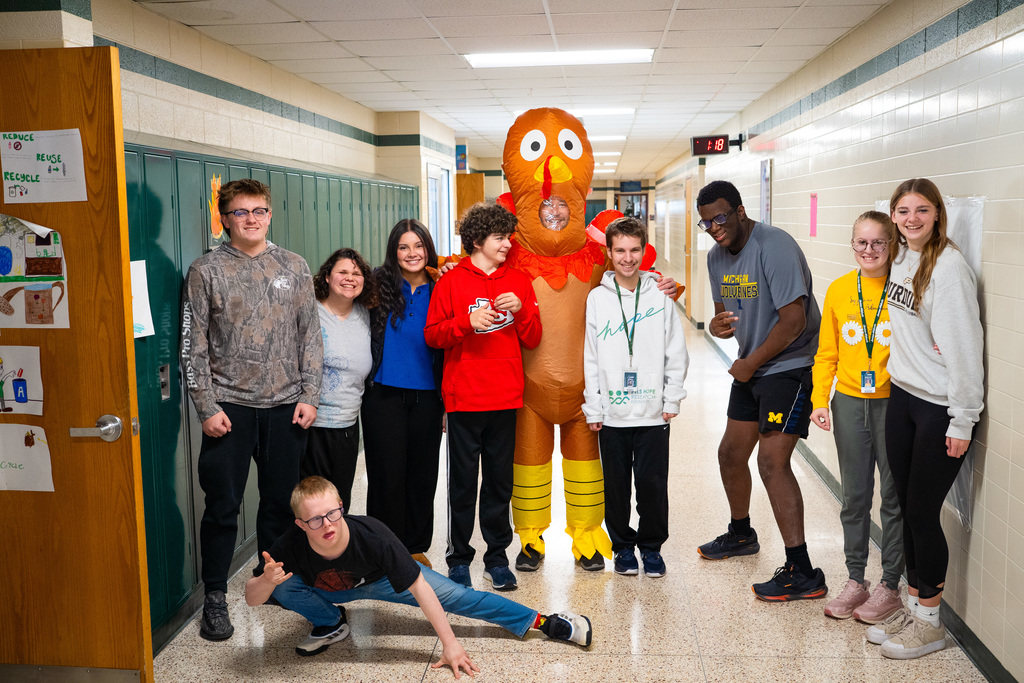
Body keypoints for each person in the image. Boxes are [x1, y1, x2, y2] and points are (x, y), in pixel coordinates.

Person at [245, 476, 592, 677]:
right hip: (333, 588)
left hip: (383, 580)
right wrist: (266, 581)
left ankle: (542, 621)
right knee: (283, 582)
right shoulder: (288, 545)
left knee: (461, 597)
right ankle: (331, 622)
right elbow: (252, 598)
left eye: (333, 513)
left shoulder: (373, 536)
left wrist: (451, 643)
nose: (328, 525)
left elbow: (420, 587)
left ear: (341, 506)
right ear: (300, 524)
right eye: (315, 520)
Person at [181, 178, 322, 640]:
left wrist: (310, 395)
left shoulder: (295, 266)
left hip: (286, 407)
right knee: (222, 506)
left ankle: (276, 584)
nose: (251, 219)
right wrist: (205, 405)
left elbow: (310, 337)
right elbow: (193, 346)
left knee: (281, 505)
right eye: (240, 212)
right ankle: (216, 597)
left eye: (258, 210)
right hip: (229, 409)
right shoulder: (206, 271)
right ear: (224, 218)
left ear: (269, 214)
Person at [867, 178, 983, 659]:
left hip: (939, 407)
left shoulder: (949, 267)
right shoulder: (899, 258)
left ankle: (931, 623)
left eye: (921, 210)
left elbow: (964, 348)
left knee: (920, 511)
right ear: (892, 215)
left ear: (938, 214)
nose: (911, 218)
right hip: (904, 398)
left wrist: (962, 419)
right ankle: (915, 607)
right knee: (903, 506)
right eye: (903, 210)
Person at [696, 179, 827, 601]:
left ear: (739, 210)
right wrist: (718, 325)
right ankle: (741, 534)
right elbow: (723, 315)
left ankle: (802, 569)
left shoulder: (775, 246)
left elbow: (795, 322)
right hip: (752, 368)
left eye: (719, 217)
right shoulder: (717, 257)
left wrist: (750, 364)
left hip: (789, 366)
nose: (714, 227)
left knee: (772, 462)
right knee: (731, 453)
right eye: (705, 223)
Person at [424, 203, 542, 592]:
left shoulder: (520, 281)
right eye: (499, 238)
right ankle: (458, 559)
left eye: (509, 237)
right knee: (461, 484)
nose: (507, 244)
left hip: (505, 397)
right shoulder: (451, 282)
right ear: (477, 240)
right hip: (464, 399)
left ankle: (497, 558)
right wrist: (465, 323)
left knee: (498, 483)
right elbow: (433, 335)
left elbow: (533, 338)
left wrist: (522, 311)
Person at [810, 211, 905, 623]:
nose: (869, 251)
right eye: (861, 243)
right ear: (852, 245)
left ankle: (889, 585)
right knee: (854, 496)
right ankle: (855, 579)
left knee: (894, 498)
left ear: (892, 245)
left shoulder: (903, 289)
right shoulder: (839, 289)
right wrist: (820, 398)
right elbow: (826, 352)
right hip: (848, 400)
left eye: (878, 243)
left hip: (894, 402)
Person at [582, 217, 688, 578]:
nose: (628, 258)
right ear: (609, 254)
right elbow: (591, 356)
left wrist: (671, 399)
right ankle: (623, 547)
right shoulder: (597, 298)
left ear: (644, 252)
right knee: (615, 488)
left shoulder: (661, 293)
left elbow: (676, 351)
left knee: (653, 485)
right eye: (620, 251)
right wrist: (593, 405)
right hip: (611, 413)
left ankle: (652, 548)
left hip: (652, 413)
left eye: (634, 250)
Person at [362, 219, 445, 568]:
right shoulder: (377, 285)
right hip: (384, 396)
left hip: (428, 397)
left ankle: (413, 547)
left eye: (418, 246)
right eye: (403, 247)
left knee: (422, 476)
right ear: (393, 251)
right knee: (385, 476)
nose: (412, 254)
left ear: (428, 249)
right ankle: (383, 549)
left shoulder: (444, 286)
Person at [302, 248, 377, 513]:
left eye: (356, 273)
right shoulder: (310, 312)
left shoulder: (367, 315)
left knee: (339, 502)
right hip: (311, 427)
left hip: (347, 426)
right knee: (312, 503)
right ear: (326, 277)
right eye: (342, 272)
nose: (350, 278)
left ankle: (336, 554)